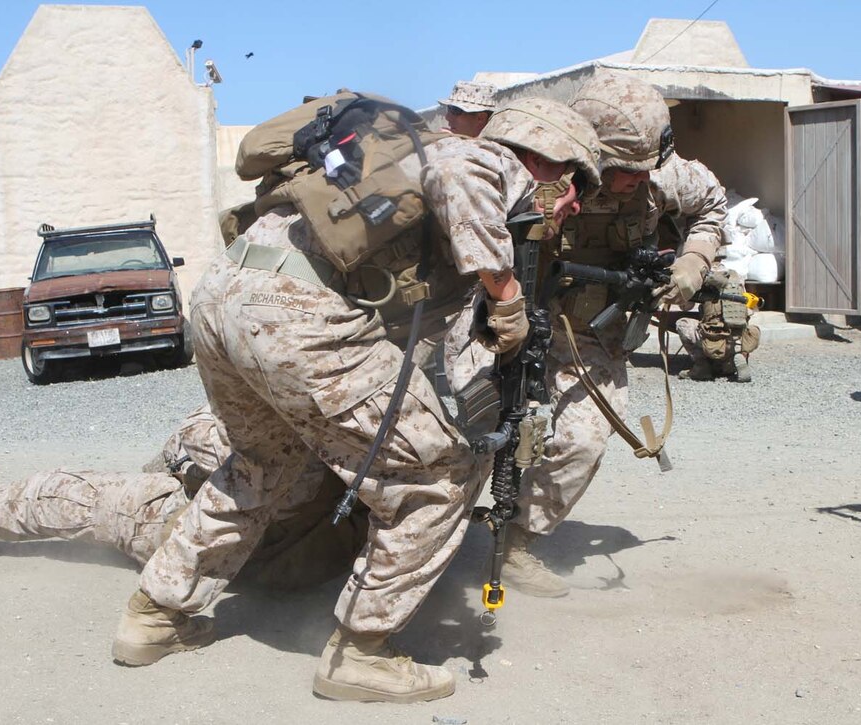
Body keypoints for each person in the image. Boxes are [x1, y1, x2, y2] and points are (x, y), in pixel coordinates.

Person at [111, 96, 600, 704]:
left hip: (225, 296)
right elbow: (457, 179)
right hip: (299, 314)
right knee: (440, 474)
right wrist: (505, 299)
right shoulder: (483, 158)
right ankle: (361, 655)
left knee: (263, 463)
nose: (578, 203)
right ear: (550, 157)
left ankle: (154, 615)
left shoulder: (404, 153)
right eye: (580, 183)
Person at [444, 70, 726, 598]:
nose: (639, 181)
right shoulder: (534, 171)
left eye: (648, 170)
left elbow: (711, 206)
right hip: (505, 315)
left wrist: (693, 259)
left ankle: (521, 541)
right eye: (624, 171)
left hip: (593, 330)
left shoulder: (664, 176)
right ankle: (423, 537)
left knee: (581, 440)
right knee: (466, 431)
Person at [0, 406, 369, 590]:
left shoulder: (295, 445)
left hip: (191, 526)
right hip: (293, 545)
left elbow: (203, 440)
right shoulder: (366, 436)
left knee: (51, 496)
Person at [676, 266, 760, 382]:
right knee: (744, 327)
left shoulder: (704, 278)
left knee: (682, 324)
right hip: (737, 340)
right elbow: (748, 311)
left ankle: (702, 367)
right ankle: (737, 357)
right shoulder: (736, 278)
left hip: (713, 336)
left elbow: (685, 307)